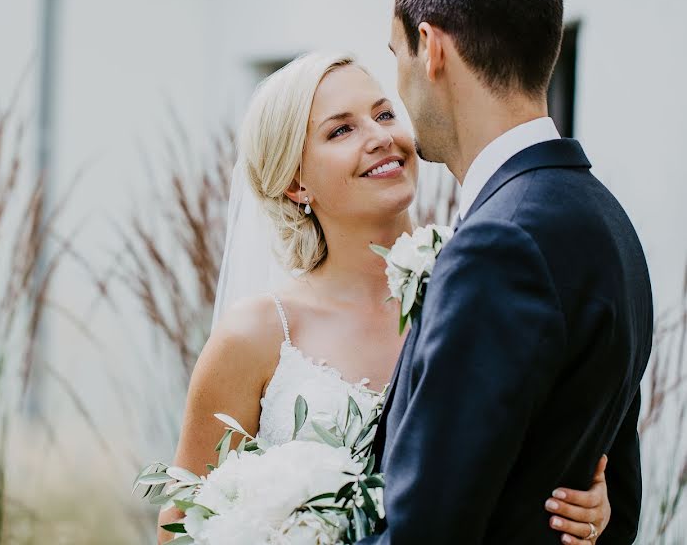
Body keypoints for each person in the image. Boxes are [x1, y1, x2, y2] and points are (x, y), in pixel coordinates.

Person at [157, 50, 611, 543]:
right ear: (295, 182)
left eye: (384, 114)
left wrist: (588, 509)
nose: (380, 138)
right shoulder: (255, 337)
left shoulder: (489, 290)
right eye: (341, 130)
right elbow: (181, 529)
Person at [361, 0, 652, 543]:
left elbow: (424, 532)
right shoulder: (606, 220)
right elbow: (614, 499)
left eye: (397, 56)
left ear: (432, 47)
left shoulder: (498, 245)